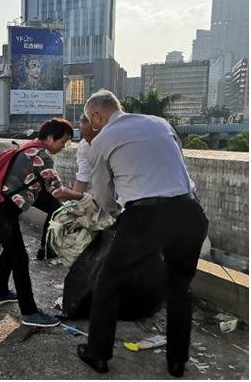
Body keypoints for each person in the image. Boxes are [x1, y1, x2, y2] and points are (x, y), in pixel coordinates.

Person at [76, 90, 208, 378]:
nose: (91, 125)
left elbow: (103, 196)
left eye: (90, 120)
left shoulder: (101, 140)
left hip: (145, 216)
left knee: (107, 282)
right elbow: (177, 167)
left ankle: (98, 355)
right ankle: (177, 362)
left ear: (96, 116)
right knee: (179, 286)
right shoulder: (160, 123)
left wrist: (116, 214)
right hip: (190, 212)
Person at [0, 118, 82, 327]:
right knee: (20, 259)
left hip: (0, 208)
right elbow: (57, 190)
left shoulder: (27, 148)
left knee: (11, 251)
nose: (64, 146)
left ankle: (1, 292)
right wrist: (83, 198)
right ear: (50, 137)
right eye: (64, 141)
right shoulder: (42, 157)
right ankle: (30, 313)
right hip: (4, 211)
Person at [73, 116, 99, 193]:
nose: (87, 139)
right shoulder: (84, 146)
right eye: (84, 135)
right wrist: (73, 201)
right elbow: (83, 176)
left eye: (91, 135)